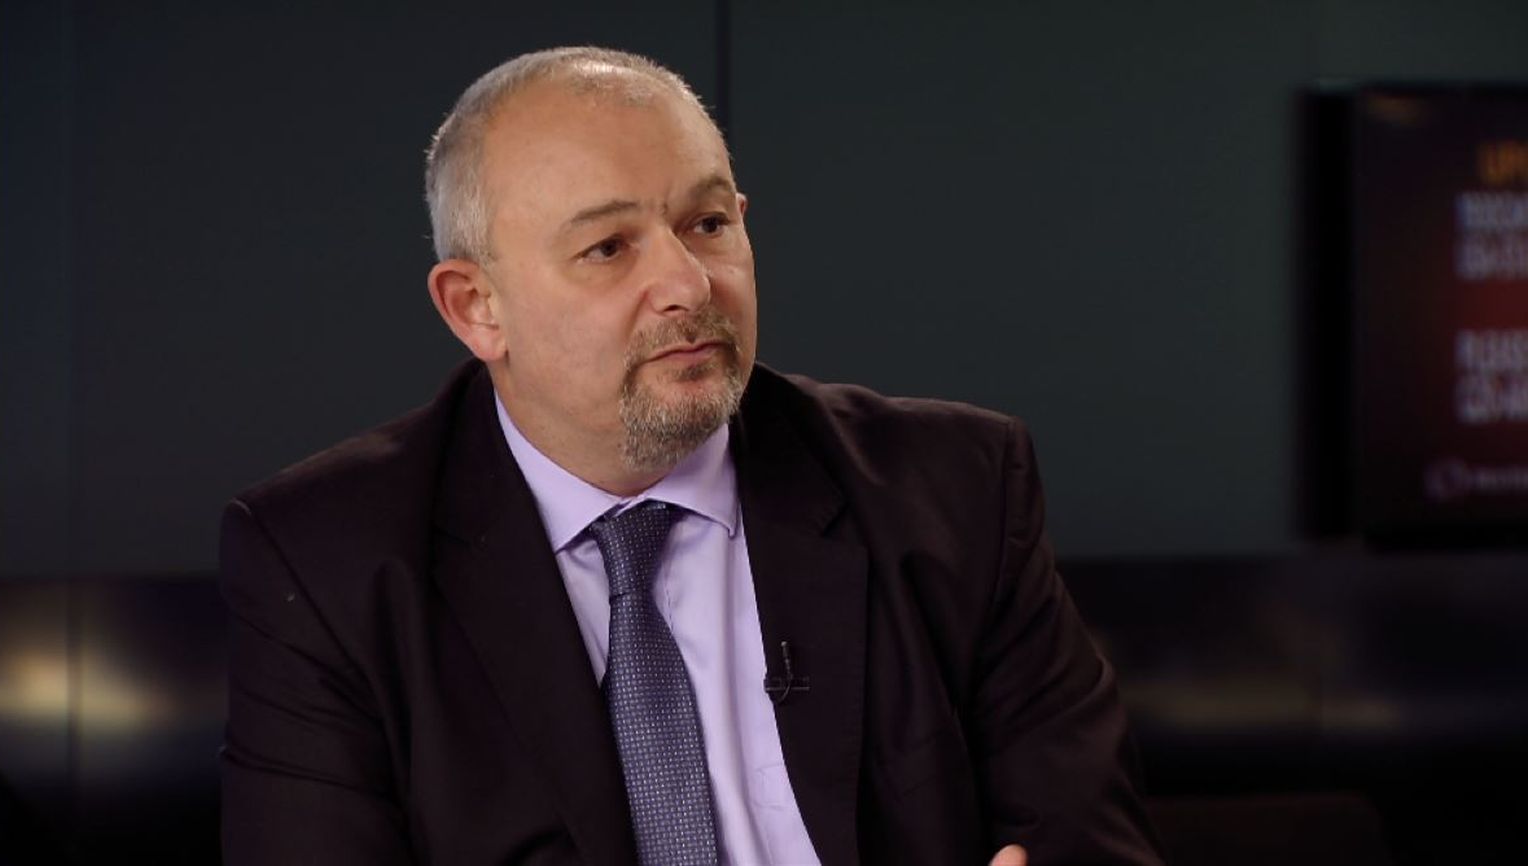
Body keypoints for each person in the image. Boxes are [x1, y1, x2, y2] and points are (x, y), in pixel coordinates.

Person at [218, 46, 1163, 866]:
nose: (687, 283)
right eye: (608, 248)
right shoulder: (326, 562)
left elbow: (1084, 842)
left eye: (709, 225)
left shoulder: (955, 489)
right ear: (477, 307)